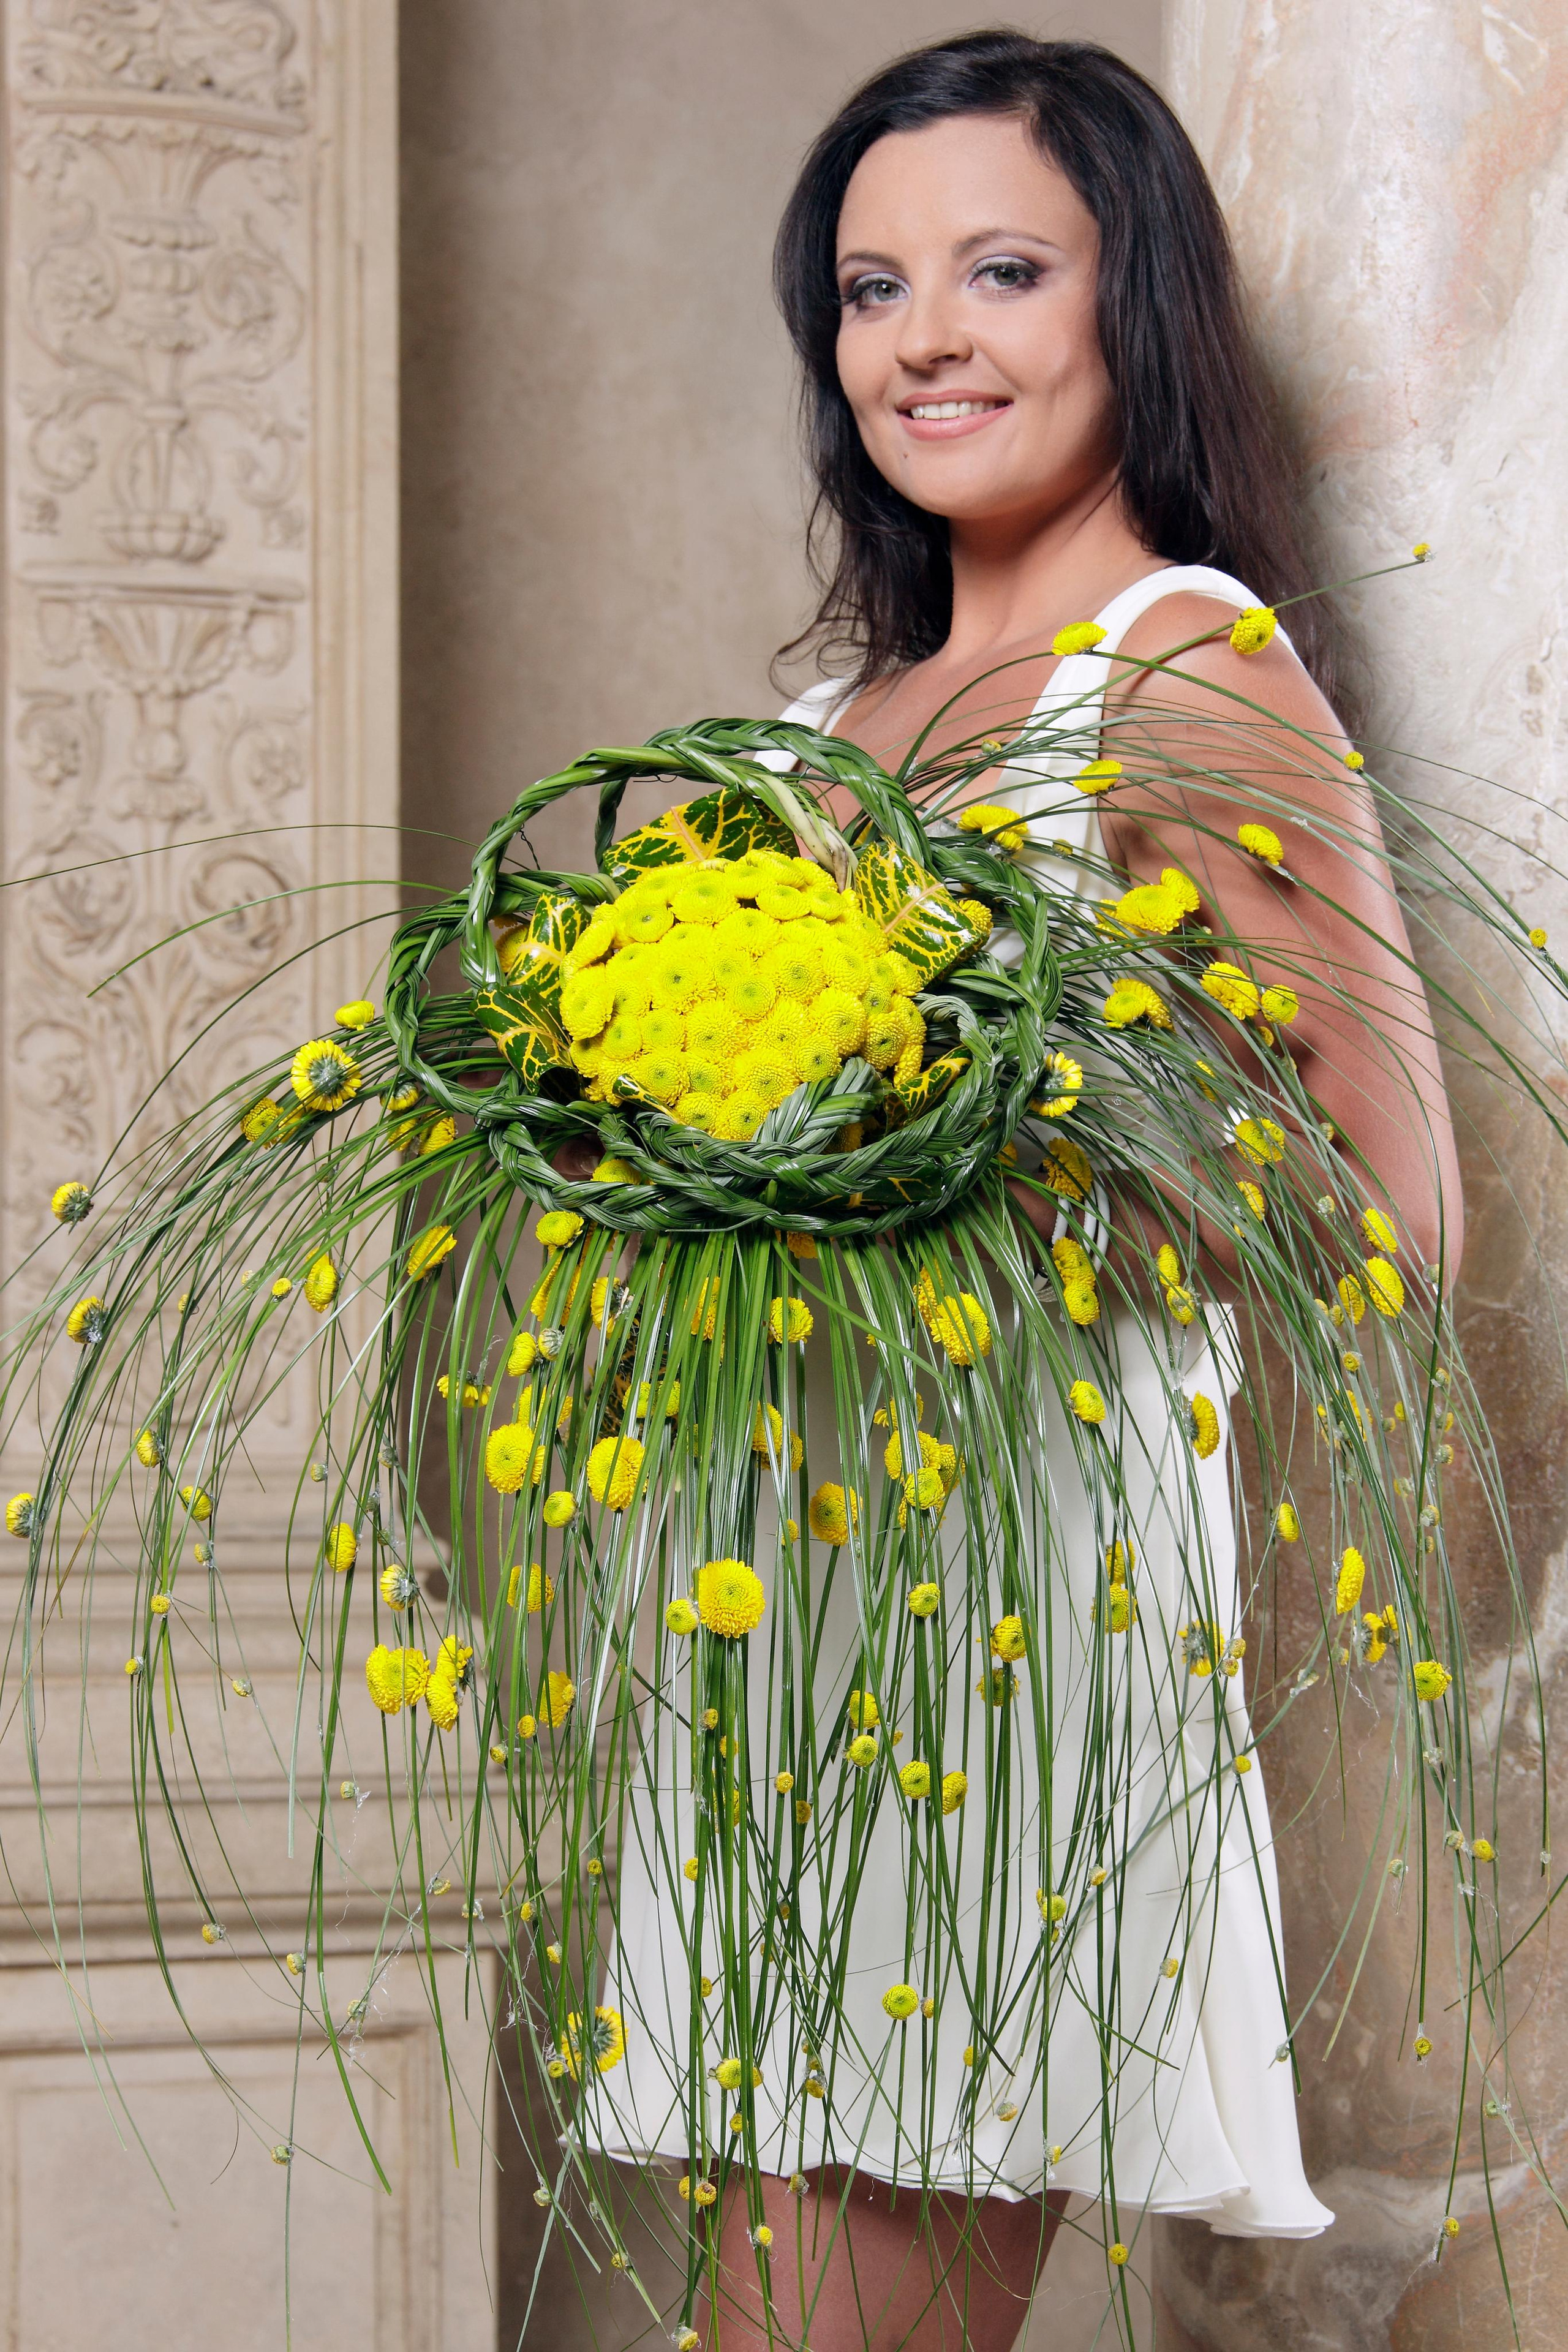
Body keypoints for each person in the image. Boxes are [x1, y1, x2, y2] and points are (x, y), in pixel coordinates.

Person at [587, 33, 1459, 2351]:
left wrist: (998, 1195)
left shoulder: (1182, 670)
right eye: (873, 288)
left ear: (1129, 298)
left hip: (1008, 1605)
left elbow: (1399, 1206)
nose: (923, 339)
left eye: (1000, 270)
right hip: (774, 1586)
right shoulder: (820, 737)